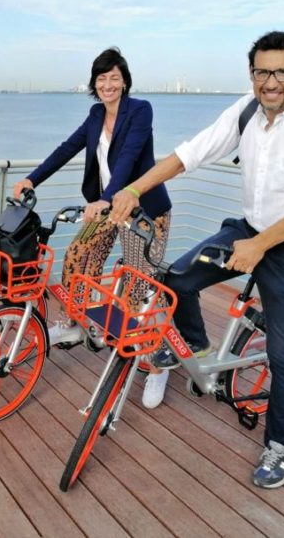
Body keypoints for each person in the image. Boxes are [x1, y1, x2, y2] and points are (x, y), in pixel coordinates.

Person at [110, 31, 284, 488]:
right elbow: (189, 154)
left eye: (281, 71)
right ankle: (195, 347)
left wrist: (261, 246)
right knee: (176, 281)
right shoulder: (246, 110)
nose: (270, 82)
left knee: (281, 353)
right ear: (251, 73)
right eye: (262, 71)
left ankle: (281, 447)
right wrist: (135, 188)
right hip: (247, 229)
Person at [12, 47, 173, 409]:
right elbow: (66, 148)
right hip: (107, 206)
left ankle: (159, 363)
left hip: (143, 209)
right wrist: (31, 179)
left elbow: (130, 156)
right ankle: (73, 321)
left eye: (114, 77)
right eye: (101, 79)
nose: (108, 84)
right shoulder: (95, 114)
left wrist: (108, 197)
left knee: (140, 284)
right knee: (78, 255)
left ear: (125, 81)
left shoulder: (140, 111)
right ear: (94, 85)